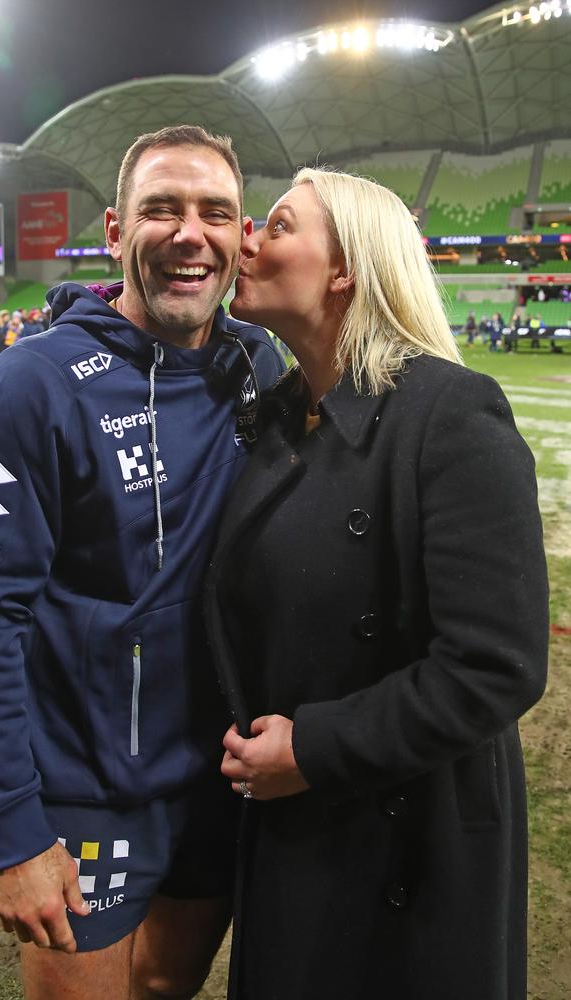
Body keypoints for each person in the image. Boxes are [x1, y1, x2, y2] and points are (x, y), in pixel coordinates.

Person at [0, 125, 285, 1000]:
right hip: (89, 791)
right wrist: (14, 833)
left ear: (241, 237)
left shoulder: (261, 367)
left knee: (167, 987)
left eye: (214, 212)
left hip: (221, 776)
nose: (187, 233)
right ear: (116, 230)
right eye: (159, 210)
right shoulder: (34, 384)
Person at [204, 169, 549, 1000]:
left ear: (345, 270)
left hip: (408, 845)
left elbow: (494, 665)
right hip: (294, 821)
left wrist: (314, 748)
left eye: (278, 226)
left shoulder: (451, 412)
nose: (248, 236)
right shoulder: (283, 414)